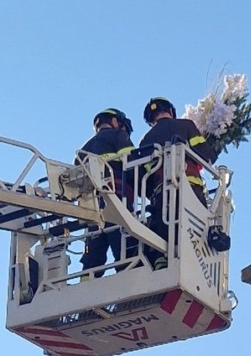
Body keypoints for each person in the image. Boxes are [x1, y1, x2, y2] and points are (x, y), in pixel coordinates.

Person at [138, 98, 217, 269]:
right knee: (196, 231)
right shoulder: (186, 126)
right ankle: (194, 264)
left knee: (163, 232)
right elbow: (207, 155)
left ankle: (161, 262)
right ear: (171, 111)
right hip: (191, 189)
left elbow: (145, 178)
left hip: (161, 195)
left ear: (151, 121)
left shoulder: (145, 141)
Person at [78, 108, 134, 278]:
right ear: (115, 122)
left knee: (94, 250)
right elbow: (132, 163)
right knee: (122, 244)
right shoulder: (118, 137)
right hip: (116, 198)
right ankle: (128, 277)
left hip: (92, 206)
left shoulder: (82, 150)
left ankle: (86, 283)